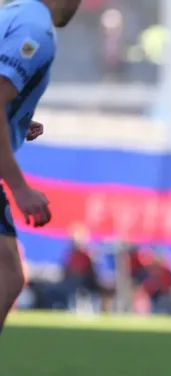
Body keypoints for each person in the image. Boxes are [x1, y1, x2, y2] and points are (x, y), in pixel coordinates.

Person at [0, 0, 82, 337]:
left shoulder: (12, 12)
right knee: (7, 274)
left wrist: (17, 120)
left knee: (8, 273)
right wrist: (19, 187)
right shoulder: (36, 29)